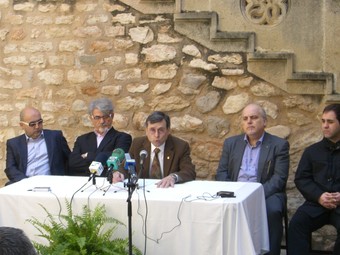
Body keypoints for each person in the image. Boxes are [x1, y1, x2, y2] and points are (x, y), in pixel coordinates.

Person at [215, 103, 290, 255]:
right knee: (217, 209)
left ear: (264, 122)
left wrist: (255, 194)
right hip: (236, 192)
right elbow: (222, 172)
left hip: (266, 192)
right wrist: (234, 192)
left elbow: (279, 179)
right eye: (245, 118)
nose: (249, 121)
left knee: (273, 210)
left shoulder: (279, 145)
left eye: (254, 118)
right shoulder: (231, 143)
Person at [288, 104, 340, 255]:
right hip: (316, 204)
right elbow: (302, 178)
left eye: (330, 122)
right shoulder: (312, 151)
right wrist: (319, 196)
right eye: (323, 121)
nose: (325, 126)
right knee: (297, 224)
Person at [112, 111, 196, 188]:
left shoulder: (180, 146)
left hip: (167, 190)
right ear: (146, 131)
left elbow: (189, 171)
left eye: (161, 130)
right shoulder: (137, 144)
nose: (156, 135)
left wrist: (173, 177)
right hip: (143, 191)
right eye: (152, 130)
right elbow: (125, 166)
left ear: (168, 131)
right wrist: (119, 173)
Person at [5, 107, 71, 185]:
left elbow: (70, 160)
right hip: (25, 184)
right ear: (22, 125)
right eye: (32, 124)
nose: (37, 127)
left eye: (40, 122)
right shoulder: (14, 144)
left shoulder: (55, 137)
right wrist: (27, 182)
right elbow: (10, 168)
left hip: (52, 183)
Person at [68, 98, 132, 176]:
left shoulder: (123, 138)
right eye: (97, 117)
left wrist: (87, 155)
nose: (102, 121)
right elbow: (73, 163)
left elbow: (117, 159)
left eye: (105, 117)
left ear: (112, 116)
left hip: (109, 183)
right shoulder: (82, 140)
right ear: (91, 118)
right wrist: (103, 162)